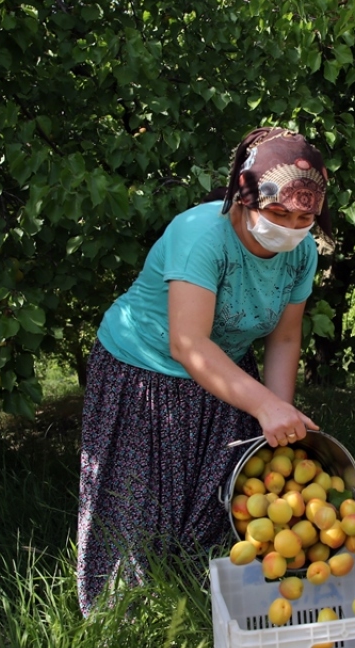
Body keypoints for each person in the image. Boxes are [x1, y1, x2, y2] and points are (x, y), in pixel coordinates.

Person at [77, 127, 329, 615]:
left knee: (214, 502)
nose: (291, 226)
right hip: (143, 371)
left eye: (304, 216)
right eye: (277, 212)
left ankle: (196, 607)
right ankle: (118, 626)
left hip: (223, 371)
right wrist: (263, 405)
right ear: (243, 195)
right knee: (137, 507)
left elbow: (284, 336)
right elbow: (187, 342)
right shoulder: (201, 236)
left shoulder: (301, 251)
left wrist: (277, 418)